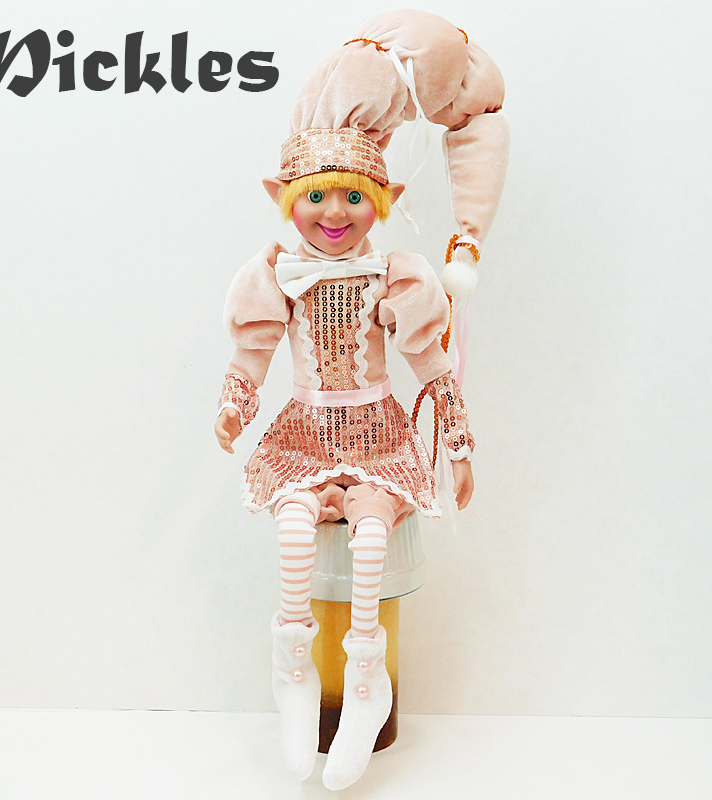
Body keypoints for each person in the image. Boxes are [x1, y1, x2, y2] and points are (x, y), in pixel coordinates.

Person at [214, 10, 509, 790]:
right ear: (286, 199)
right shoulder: (277, 276)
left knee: (372, 538)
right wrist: (235, 404)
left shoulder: (395, 277)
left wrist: (456, 441)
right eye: (317, 197)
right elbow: (252, 349)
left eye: (354, 196)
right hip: (306, 431)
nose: (336, 213)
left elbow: (428, 359)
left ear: (382, 199)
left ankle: (366, 678)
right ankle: (292, 667)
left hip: (376, 431)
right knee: (295, 527)